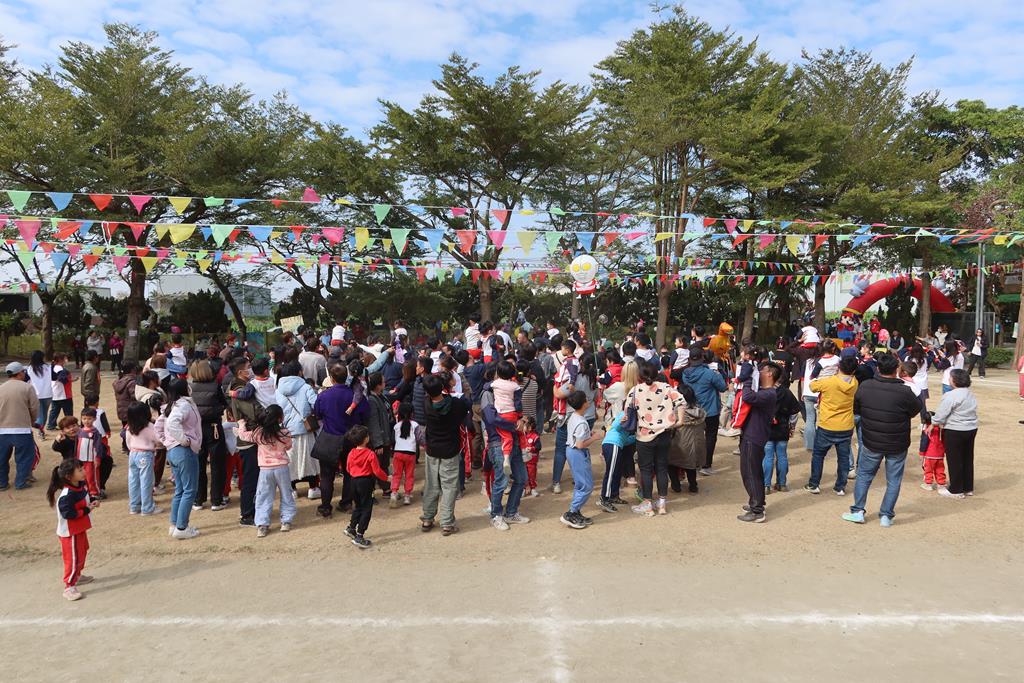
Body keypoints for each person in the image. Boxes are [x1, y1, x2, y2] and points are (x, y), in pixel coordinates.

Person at [844, 352, 921, 526]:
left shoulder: (865, 386)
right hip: (897, 441)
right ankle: (886, 515)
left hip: (872, 440)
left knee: (864, 475)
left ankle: (858, 511)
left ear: (878, 369)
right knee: (893, 480)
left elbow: (857, 408)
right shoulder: (905, 391)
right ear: (896, 370)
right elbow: (915, 410)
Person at [628, 363, 684, 516]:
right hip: (664, 433)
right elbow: (681, 400)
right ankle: (662, 504)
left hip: (644, 435)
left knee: (646, 470)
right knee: (662, 468)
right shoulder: (666, 388)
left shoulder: (635, 390)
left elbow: (627, 411)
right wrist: (680, 421)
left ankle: (647, 504)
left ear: (640, 376)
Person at [312, 363, 368, 517]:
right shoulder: (355, 396)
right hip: (351, 438)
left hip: (330, 437)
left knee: (326, 475)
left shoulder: (324, 396)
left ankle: (325, 507)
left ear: (331, 378)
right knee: (350, 473)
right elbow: (365, 414)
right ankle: (346, 503)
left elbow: (318, 414)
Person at [419, 373, 471, 536]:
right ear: (443, 386)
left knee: (431, 484)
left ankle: (428, 518)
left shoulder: (426, 403)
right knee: (449, 487)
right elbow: (466, 405)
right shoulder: (455, 404)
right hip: (450, 449)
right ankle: (447, 522)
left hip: (432, 450)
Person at [237, 404, 295, 538]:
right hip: (282, 468)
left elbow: (243, 435)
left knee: (263, 496)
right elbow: (288, 446)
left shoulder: (258, 433)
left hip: (265, 470)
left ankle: (262, 525)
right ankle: (286, 521)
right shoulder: (285, 433)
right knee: (286, 494)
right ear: (280, 419)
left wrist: (241, 423)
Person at [155, 378, 203, 540]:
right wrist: (184, 440)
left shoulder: (171, 406)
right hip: (183, 451)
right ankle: (182, 527)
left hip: (173, 451)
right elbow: (172, 424)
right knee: (189, 490)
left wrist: (167, 441)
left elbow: (159, 426)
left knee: (181, 490)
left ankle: (175, 524)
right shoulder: (183, 405)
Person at [805, 356, 858, 496]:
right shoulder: (854, 383)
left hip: (827, 424)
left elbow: (812, 386)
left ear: (839, 367)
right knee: (843, 458)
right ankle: (840, 487)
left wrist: (824, 374)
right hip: (845, 426)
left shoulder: (829, 382)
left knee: (818, 455)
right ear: (854, 370)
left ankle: (814, 484)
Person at [481, 376, 529, 531]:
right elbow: (491, 419)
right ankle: (496, 515)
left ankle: (511, 512)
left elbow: (518, 411)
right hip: (498, 443)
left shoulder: (511, 389)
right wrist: (513, 425)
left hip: (515, 441)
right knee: (501, 481)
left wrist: (521, 420)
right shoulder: (488, 393)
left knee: (521, 478)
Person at [47, 458, 97, 601]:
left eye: (83, 468)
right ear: (69, 476)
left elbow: (85, 498)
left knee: (83, 551)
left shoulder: (80, 486)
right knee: (73, 558)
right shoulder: (66, 496)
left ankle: (77, 575)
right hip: (70, 533)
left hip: (80, 529)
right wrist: (87, 510)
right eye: (80, 470)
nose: (84, 472)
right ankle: (69, 586)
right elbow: (69, 514)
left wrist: (92, 500)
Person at [737, 363, 780, 523]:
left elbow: (747, 397)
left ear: (770, 374)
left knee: (750, 473)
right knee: (753, 472)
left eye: (762, 370)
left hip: (754, 437)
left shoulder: (769, 393)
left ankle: (757, 511)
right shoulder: (765, 391)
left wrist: (747, 379)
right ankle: (756, 502)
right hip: (753, 435)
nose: (759, 372)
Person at [276, 361, 321, 500]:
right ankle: (313, 488)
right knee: (309, 459)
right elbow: (316, 404)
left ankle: (292, 489)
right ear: (299, 372)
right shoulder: (305, 387)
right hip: (305, 429)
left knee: (290, 461)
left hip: (286, 431)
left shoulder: (277, 390)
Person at [188, 360, 228, 512]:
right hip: (214, 428)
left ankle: (198, 499)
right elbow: (224, 403)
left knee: (198, 465)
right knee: (218, 465)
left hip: (195, 429)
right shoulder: (215, 386)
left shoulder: (189, 387)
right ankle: (216, 500)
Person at [679, 347, 726, 476]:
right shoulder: (710, 373)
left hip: (693, 410)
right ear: (702, 358)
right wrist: (718, 374)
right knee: (710, 437)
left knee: (695, 438)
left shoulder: (685, 374)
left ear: (690, 359)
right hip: (710, 410)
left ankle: (694, 463)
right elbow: (723, 387)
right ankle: (706, 465)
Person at [931, 369, 978, 499]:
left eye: (950, 378)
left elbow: (941, 414)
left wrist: (933, 422)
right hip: (971, 429)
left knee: (954, 459)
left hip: (955, 430)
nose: (949, 380)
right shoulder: (970, 394)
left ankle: (956, 489)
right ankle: (967, 487)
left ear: (954, 380)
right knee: (967, 457)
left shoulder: (951, 395)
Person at [559, 390, 602, 529]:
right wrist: (594, 438)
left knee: (580, 484)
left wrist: (589, 435)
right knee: (586, 486)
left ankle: (576, 511)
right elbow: (580, 444)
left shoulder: (574, 416)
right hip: (577, 453)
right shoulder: (582, 422)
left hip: (572, 451)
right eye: (586, 399)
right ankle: (571, 512)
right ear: (583, 404)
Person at [343, 424, 390, 548]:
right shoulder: (370, 454)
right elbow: (377, 471)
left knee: (358, 506)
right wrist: (387, 478)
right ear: (366, 439)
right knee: (366, 508)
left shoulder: (351, 453)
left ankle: (351, 527)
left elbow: (347, 468)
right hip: (365, 482)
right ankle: (360, 535)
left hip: (353, 481)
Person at [0, 362, 40, 491]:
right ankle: (20, 482)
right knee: (24, 457)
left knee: (1, 458)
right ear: (20, 373)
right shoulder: (27, 388)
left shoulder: (1, 388)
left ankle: (2, 483)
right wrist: (32, 421)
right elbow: (34, 408)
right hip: (22, 429)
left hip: (2, 430)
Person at [763, 376, 801, 494]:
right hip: (783, 428)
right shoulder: (787, 392)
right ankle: (782, 484)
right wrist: (792, 427)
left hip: (767, 430)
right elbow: (795, 412)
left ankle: (766, 485)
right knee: (782, 456)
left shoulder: (764, 392)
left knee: (768, 457)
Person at [125, 401, 162, 516]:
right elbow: (158, 440)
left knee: (133, 481)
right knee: (146, 482)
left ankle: (134, 506)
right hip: (145, 455)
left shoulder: (129, 427)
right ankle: (147, 508)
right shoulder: (149, 426)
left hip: (133, 454)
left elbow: (128, 443)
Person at [667, 384, 705, 495]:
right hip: (697, 445)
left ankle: (676, 486)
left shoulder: (676, 413)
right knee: (691, 466)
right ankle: (693, 486)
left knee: (671, 464)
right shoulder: (700, 412)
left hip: (679, 445)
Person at [365, 371, 394, 499]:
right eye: (383, 381)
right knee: (376, 467)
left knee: (384, 465)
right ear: (377, 385)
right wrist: (378, 443)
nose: (385, 383)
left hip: (385, 437)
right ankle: (370, 493)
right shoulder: (372, 400)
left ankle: (386, 489)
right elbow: (374, 423)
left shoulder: (381, 396)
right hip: (380, 439)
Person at [390, 402, 420, 507]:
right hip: (410, 453)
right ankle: (407, 495)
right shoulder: (415, 425)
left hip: (398, 452)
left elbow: (393, 440)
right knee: (409, 475)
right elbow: (419, 438)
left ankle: (394, 493)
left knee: (396, 474)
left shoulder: (396, 426)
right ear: (412, 413)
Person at [27, 351, 52, 440]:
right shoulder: (48, 367)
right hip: (48, 393)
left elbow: (26, 380)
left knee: (40, 414)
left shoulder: (30, 369)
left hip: (36, 394)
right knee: (44, 413)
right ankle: (41, 430)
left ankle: (40, 430)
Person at [47, 352, 74, 430]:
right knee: (68, 411)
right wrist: (68, 380)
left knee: (54, 410)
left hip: (55, 393)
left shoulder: (52, 367)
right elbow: (62, 378)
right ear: (60, 359)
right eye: (65, 358)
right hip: (63, 393)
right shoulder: (60, 368)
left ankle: (51, 425)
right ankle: (70, 424)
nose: (66, 360)